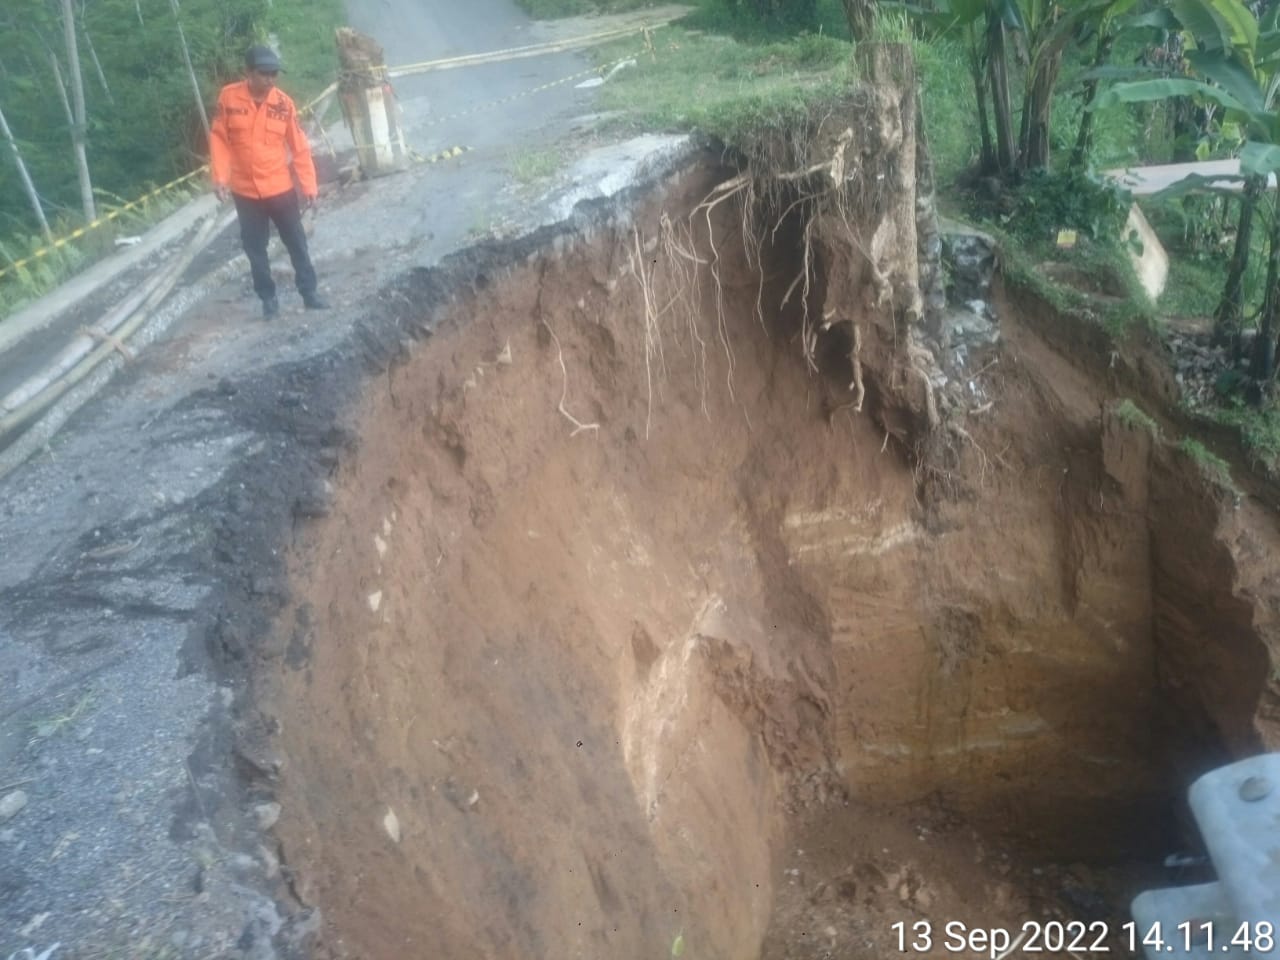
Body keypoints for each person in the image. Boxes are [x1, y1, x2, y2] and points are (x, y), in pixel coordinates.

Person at [210, 44, 328, 319]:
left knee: (297, 242)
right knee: (255, 249)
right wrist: (220, 177)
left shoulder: (283, 104)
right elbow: (219, 140)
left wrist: (309, 186)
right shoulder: (228, 99)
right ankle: (268, 300)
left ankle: (309, 294)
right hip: (245, 191)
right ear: (248, 73)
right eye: (264, 74)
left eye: (274, 74)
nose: (270, 79)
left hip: (280, 188)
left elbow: (299, 148)